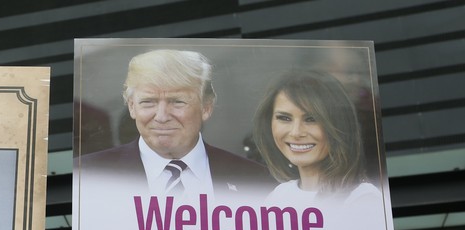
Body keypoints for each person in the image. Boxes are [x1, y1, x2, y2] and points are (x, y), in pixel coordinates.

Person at [77, 49, 275, 199]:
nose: (162, 116)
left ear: (206, 107)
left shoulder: (256, 180)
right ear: (131, 107)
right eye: (148, 102)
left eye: (177, 101)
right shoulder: (87, 176)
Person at [253, 69, 380, 204]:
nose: (296, 132)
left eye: (311, 119)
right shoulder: (279, 195)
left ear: (339, 125)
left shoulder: (363, 199)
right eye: (284, 118)